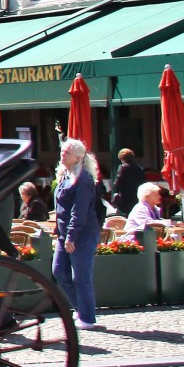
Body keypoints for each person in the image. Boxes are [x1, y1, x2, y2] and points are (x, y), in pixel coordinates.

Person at [53, 138, 104, 331]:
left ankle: (87, 317)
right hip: (64, 232)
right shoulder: (65, 174)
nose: (62, 154)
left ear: (78, 157)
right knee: (59, 271)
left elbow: (79, 210)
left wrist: (71, 236)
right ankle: (81, 308)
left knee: (81, 276)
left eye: (66, 152)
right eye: (62, 151)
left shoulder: (83, 178)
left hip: (81, 233)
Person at [109, 148, 146, 215]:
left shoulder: (122, 167)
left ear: (121, 158)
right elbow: (143, 182)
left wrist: (115, 192)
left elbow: (117, 183)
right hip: (136, 196)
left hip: (125, 197)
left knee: (121, 217)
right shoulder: (139, 168)